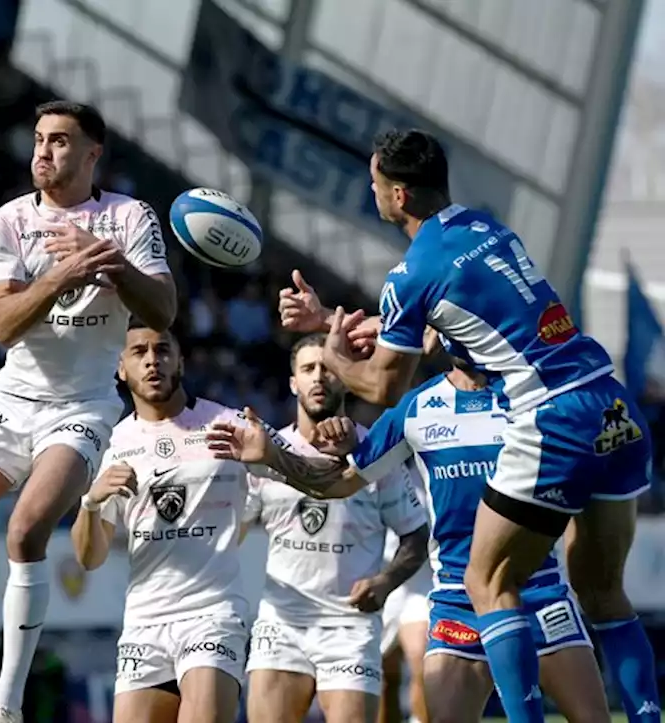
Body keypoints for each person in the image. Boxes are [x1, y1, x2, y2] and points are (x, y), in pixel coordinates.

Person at [276, 129, 660, 723]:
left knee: (486, 583)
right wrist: (336, 317)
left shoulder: (410, 274)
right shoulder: (488, 230)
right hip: (611, 404)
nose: (372, 192)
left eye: (375, 184)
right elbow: (461, 331)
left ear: (398, 195)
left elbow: (383, 386)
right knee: (604, 592)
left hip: (553, 415)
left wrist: (332, 352)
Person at [0, 100, 176, 723]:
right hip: (11, 400)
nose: (43, 153)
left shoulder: (129, 218)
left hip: (85, 405)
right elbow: (2, 323)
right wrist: (68, 271)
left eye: (60, 142)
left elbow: (162, 311)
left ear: (92, 154)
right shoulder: (4, 223)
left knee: (26, 530)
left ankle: (7, 703)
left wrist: (112, 261)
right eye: (39, 141)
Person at [206, 347, 616, 723]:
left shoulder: (533, 400)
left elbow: (585, 478)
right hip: (457, 600)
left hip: (538, 592)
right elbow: (338, 482)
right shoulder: (418, 408)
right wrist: (274, 456)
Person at [240, 334, 430, 723]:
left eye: (328, 368)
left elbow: (415, 536)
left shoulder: (376, 453)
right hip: (282, 622)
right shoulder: (264, 453)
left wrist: (385, 581)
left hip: (349, 625)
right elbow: (231, 529)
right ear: (293, 382)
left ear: (344, 377)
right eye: (308, 369)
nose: (318, 377)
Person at [70, 323, 251, 723]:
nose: (152, 360)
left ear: (180, 362)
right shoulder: (113, 445)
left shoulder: (229, 425)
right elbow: (89, 557)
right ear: (121, 368)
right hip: (144, 624)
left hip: (212, 614)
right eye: (139, 352)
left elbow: (302, 467)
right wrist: (90, 502)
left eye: (163, 350)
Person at [378, 521, 431, 723]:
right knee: (382, 679)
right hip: (380, 584)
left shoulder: (429, 488)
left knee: (424, 661)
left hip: (422, 584)